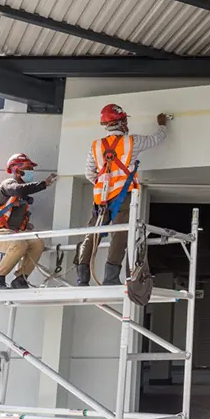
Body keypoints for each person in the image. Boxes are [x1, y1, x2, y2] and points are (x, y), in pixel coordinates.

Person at [76, 104, 169, 286]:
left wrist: (105, 184)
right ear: (122, 122)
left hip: (100, 200)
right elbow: (156, 139)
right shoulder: (132, 142)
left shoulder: (96, 146)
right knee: (119, 236)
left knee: (92, 233)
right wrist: (162, 125)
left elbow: (89, 173)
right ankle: (110, 278)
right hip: (123, 197)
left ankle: (82, 277)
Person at [0, 152, 57, 290]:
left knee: (37, 243)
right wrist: (43, 184)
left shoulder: (23, 195)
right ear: (17, 169)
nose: (31, 172)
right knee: (19, 244)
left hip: (11, 233)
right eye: (28, 168)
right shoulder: (8, 184)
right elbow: (18, 190)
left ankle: (21, 278)